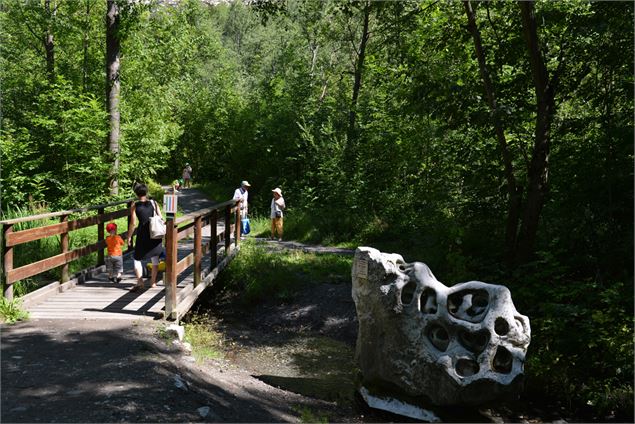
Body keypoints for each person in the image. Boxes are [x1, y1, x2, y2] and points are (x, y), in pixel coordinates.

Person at [127, 183, 163, 291]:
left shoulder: (134, 205)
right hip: (154, 232)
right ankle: (152, 282)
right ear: (146, 192)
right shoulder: (153, 203)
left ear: (136, 194)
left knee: (137, 257)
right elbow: (160, 217)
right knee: (155, 257)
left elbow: (133, 223)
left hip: (142, 233)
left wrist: (129, 237)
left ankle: (140, 281)